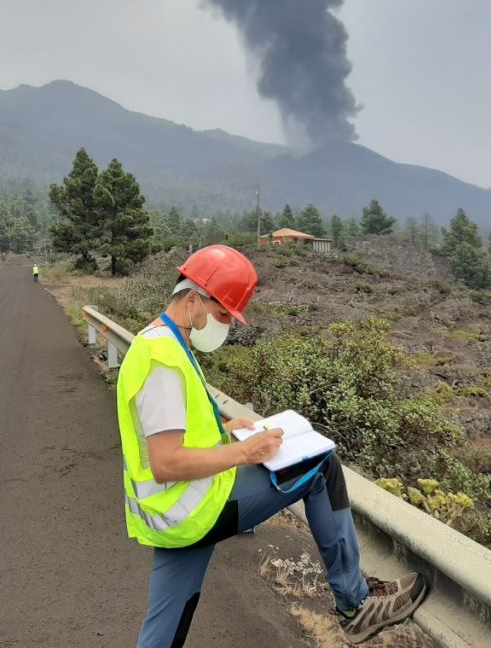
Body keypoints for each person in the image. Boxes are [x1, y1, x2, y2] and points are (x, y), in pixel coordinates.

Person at [116, 245, 428, 647]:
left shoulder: (162, 341)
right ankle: (355, 606)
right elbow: (166, 461)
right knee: (322, 467)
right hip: (192, 507)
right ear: (193, 299)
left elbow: (168, 431)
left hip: (169, 513)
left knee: (163, 631)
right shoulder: (162, 358)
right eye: (223, 313)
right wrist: (247, 452)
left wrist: (227, 429)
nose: (226, 324)